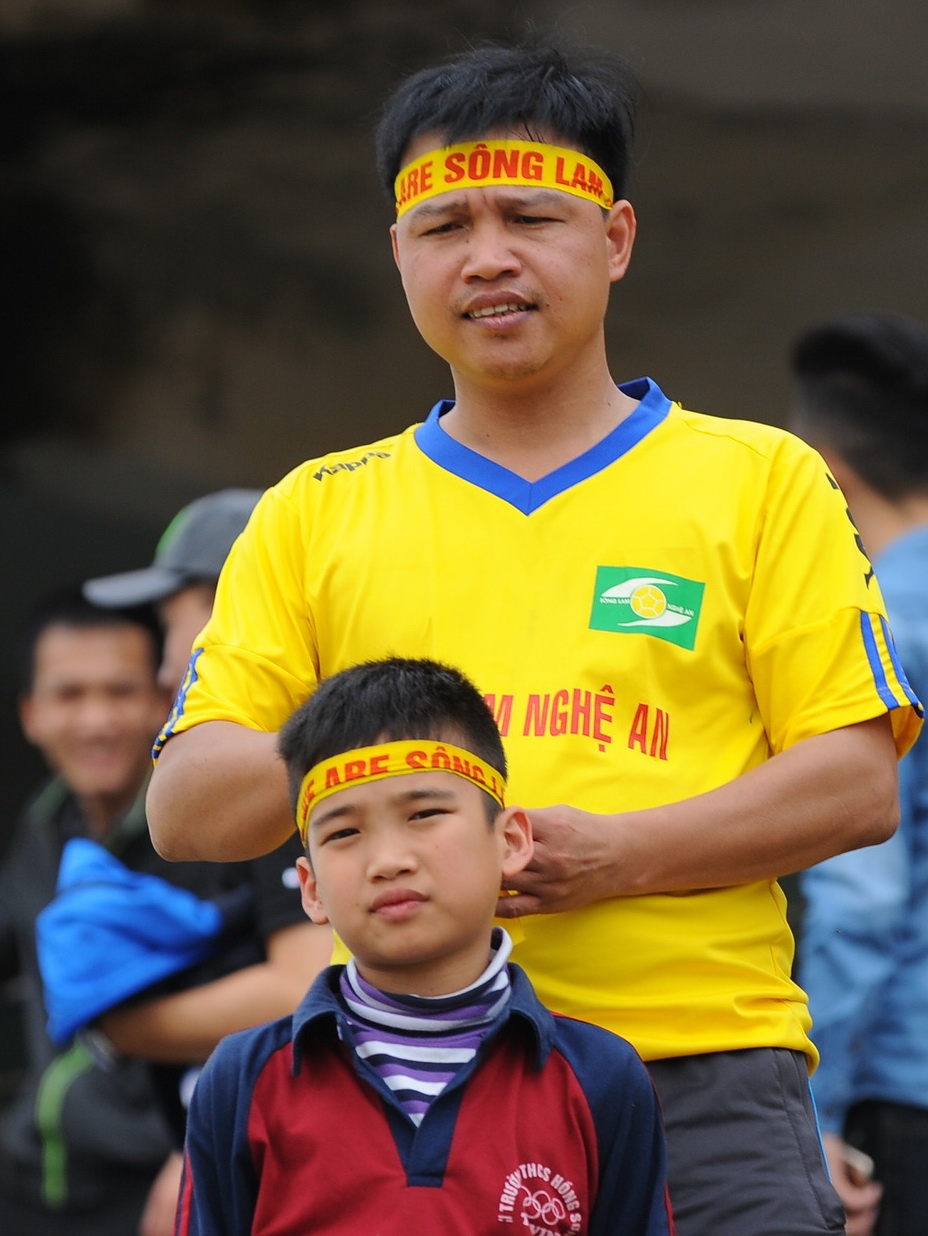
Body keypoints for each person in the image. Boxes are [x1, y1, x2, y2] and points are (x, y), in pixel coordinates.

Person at [146, 39, 922, 1234]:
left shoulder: (759, 482)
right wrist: (378, 742)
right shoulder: (311, 512)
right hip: (402, 1093)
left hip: (697, 1079)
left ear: (615, 238)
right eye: (444, 224)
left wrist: (618, 855)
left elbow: (855, 784)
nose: (487, 257)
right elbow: (187, 807)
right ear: (398, 253)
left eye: (529, 217)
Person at [175, 656, 674, 1235]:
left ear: (511, 841)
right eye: (344, 832)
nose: (389, 861)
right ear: (310, 888)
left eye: (425, 813)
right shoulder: (243, 1079)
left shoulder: (600, 1077)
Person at [79, 490, 333, 1233]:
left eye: (171, 624)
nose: (163, 667)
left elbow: (304, 986)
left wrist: (118, 1027)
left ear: (237, 604)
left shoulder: (273, 766)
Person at [791, 312, 928, 1236]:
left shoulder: (881, 624)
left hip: (904, 1091)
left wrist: (819, 1106)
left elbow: (863, 893)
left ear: (828, 476)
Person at [0, 591, 178, 1234]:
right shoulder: (43, 822)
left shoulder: (207, 830)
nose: (97, 720)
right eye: (70, 695)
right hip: (31, 1177)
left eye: (121, 691)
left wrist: (207, 1145)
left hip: (163, 1188)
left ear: (164, 700)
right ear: (31, 714)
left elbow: (293, 998)